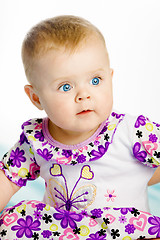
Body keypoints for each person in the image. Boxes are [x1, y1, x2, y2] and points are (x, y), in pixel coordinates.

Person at [0, 15, 160, 240]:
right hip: (64, 231)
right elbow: (7, 177)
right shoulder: (36, 141)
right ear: (36, 98)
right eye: (66, 86)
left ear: (110, 79)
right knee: (11, 227)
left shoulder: (132, 131)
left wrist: (141, 174)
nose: (84, 95)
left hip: (126, 232)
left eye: (95, 80)